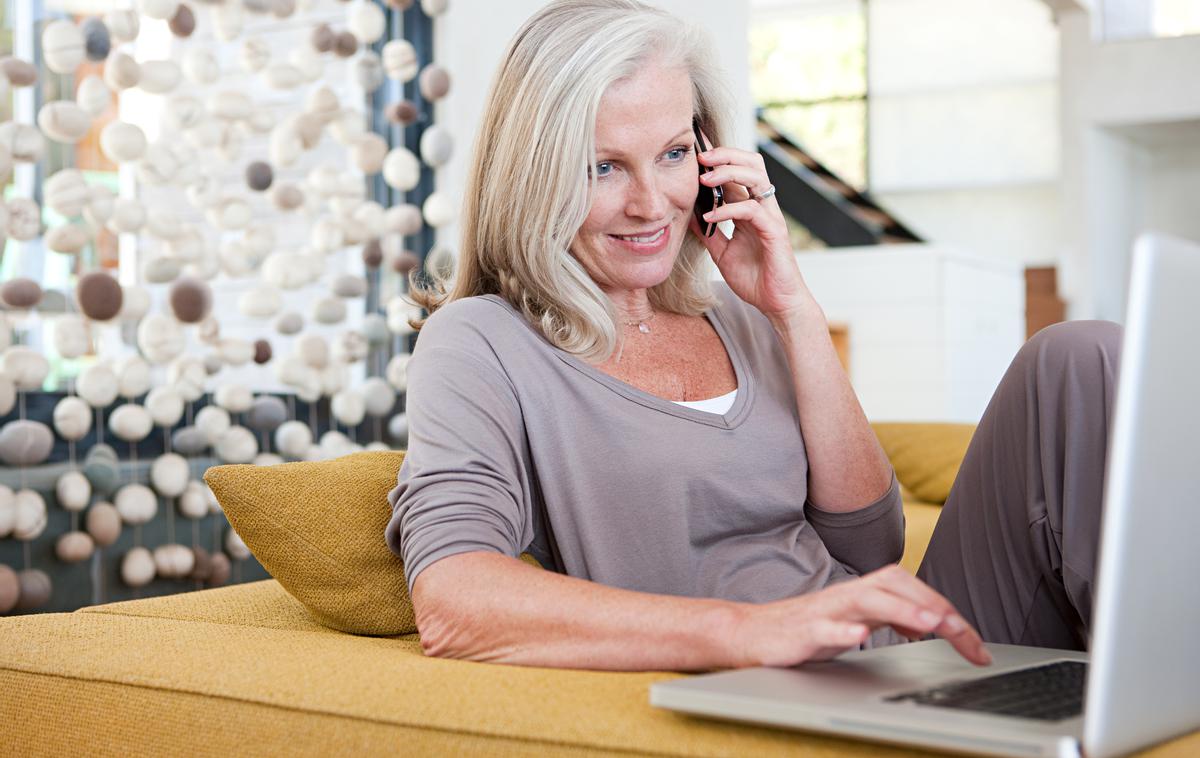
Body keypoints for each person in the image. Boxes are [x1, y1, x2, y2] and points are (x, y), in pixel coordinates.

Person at [384, 0, 1120, 671]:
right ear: (535, 175)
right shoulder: (479, 341)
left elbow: (870, 547)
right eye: (602, 167)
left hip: (895, 655)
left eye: (674, 154)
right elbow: (455, 603)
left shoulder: (737, 317)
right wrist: (745, 632)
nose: (652, 203)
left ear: (709, 158)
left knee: (1077, 360)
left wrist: (791, 308)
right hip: (775, 672)